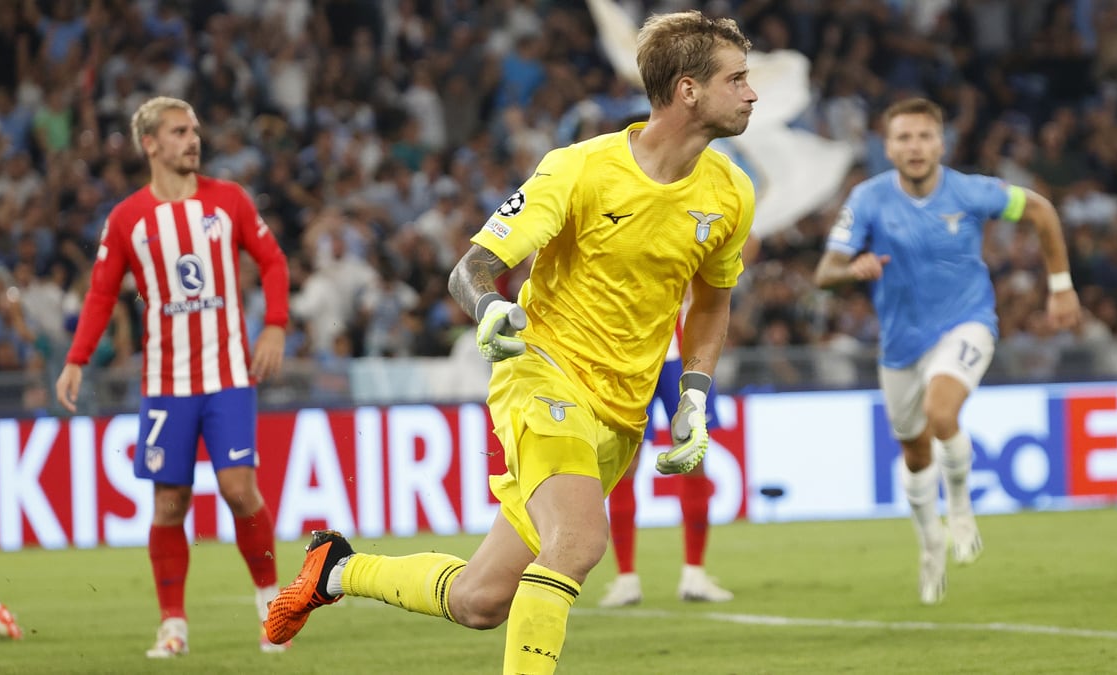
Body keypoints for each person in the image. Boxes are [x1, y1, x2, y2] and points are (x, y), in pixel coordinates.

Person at [265, 10, 757, 673]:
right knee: (580, 541)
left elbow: (712, 301)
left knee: (480, 598)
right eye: (738, 78)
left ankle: (336, 570)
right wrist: (490, 308)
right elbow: (470, 270)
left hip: (620, 415)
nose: (752, 93)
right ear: (689, 90)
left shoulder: (731, 192)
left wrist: (693, 394)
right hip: (543, 380)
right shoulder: (580, 170)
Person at [814, 97, 1081, 605]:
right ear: (887, 147)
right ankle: (930, 540)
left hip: (968, 323)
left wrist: (1061, 285)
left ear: (941, 142)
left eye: (924, 136)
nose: (915, 147)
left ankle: (960, 504)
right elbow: (824, 271)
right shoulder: (868, 199)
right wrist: (853, 269)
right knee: (914, 455)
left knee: (943, 412)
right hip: (900, 345)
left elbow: (1042, 210)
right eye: (903, 138)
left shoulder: (971, 191)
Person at [54, 96, 291, 657]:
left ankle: (272, 606)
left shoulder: (228, 200)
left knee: (238, 490)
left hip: (228, 374)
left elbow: (274, 260)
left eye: (195, 129)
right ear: (150, 144)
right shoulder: (128, 218)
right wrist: (76, 358)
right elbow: (101, 292)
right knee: (169, 503)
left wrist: (275, 325)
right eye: (180, 131)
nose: (193, 139)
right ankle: (173, 626)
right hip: (166, 384)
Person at [599, 316, 733, 607]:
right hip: (642, 349)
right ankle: (636, 578)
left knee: (684, 454)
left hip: (659, 349)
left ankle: (646, 578)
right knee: (631, 460)